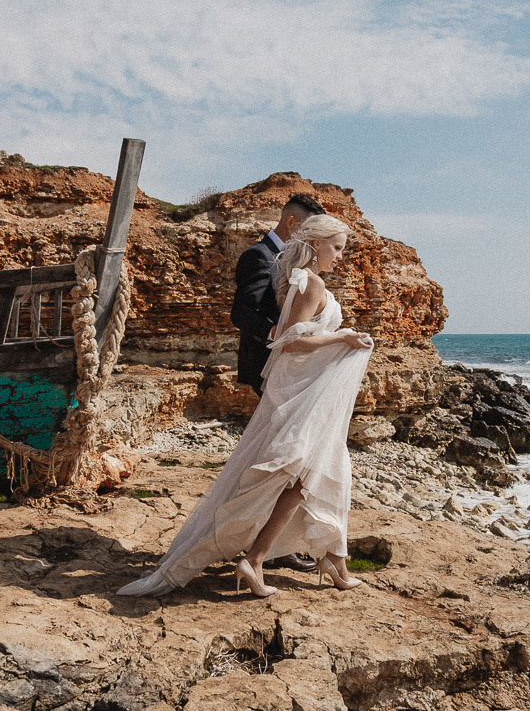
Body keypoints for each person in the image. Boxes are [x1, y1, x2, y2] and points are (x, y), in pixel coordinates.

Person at [119, 213, 376, 597]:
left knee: (315, 471)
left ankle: (324, 559)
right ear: (317, 244)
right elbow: (291, 342)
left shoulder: (298, 280)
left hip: (301, 391)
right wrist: (344, 338)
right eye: (337, 248)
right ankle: (267, 559)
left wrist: (340, 339)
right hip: (300, 396)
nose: (340, 256)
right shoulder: (311, 283)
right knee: (297, 475)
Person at [233, 192, 324, 396]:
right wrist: (278, 333)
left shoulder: (297, 259)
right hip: (265, 360)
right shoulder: (259, 255)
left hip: (289, 362)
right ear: (291, 222)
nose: (312, 238)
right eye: (308, 229)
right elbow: (240, 311)